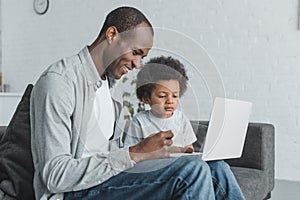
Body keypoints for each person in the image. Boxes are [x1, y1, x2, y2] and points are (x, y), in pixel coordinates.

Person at [30, 6, 245, 200]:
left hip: (107, 179)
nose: (136, 64)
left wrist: (159, 154)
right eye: (136, 53)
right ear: (112, 35)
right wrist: (135, 153)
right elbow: (55, 176)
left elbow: (108, 153)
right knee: (192, 171)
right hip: (73, 193)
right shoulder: (59, 82)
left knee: (216, 168)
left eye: (142, 57)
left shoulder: (106, 88)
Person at [123, 56, 196, 153]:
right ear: (146, 98)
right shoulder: (140, 121)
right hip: (154, 165)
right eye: (162, 96)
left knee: (218, 164)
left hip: (182, 163)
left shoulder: (181, 119)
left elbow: (190, 148)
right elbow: (131, 153)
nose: (170, 101)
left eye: (175, 96)